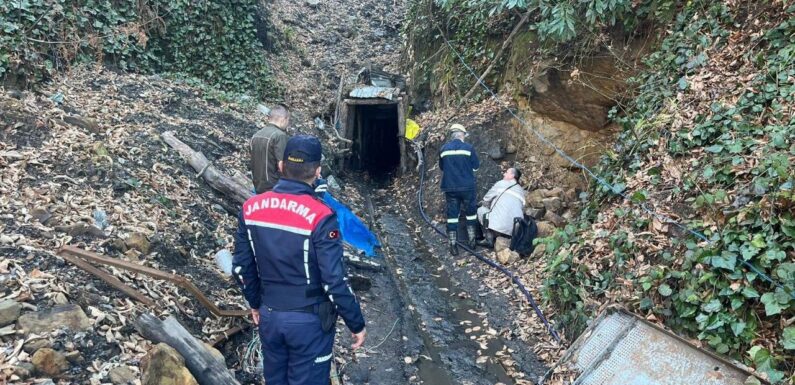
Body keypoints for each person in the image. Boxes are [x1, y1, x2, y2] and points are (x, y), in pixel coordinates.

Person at [232, 135, 366, 385]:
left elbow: (241, 267)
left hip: (270, 315)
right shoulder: (322, 215)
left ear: (281, 166)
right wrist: (355, 322)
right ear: (317, 172)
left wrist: (254, 302)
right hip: (309, 323)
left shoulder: (251, 208)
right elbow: (334, 280)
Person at [439, 123, 480, 256]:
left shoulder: (443, 149)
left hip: (450, 187)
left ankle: (453, 245)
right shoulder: (469, 148)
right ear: (462, 135)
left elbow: (442, 167)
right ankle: (472, 241)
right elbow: (476, 167)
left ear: (452, 135)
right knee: (470, 213)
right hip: (467, 187)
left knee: (452, 216)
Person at [476, 167, 526, 248]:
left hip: (497, 227)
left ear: (512, 175)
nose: (504, 174)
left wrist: (484, 204)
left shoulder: (501, 183)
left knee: (481, 210)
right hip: (512, 231)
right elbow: (522, 209)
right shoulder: (521, 191)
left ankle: (488, 239)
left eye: (506, 172)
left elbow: (486, 199)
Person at [251, 104, 290, 194]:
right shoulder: (279, 135)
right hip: (274, 187)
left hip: (258, 187)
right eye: (288, 120)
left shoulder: (256, 135)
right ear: (283, 119)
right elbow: (281, 166)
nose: (288, 123)